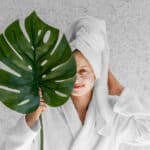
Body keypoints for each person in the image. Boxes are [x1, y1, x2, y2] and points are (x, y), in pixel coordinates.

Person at [2, 16, 150, 150]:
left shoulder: (112, 115)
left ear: (96, 71)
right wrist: (29, 120)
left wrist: (117, 89)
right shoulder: (46, 109)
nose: (76, 79)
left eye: (83, 71)